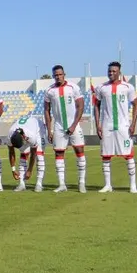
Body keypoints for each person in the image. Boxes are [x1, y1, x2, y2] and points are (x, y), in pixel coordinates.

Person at [94, 61, 137, 193]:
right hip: (107, 126)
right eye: (109, 71)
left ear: (119, 72)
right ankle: (108, 185)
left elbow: (136, 104)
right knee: (106, 156)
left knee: (129, 155)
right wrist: (98, 124)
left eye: (114, 71)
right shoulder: (101, 88)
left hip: (123, 126)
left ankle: (133, 185)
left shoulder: (128, 87)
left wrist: (133, 124)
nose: (111, 73)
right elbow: (96, 106)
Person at [43, 65, 87, 193]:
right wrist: (49, 129)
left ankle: (82, 182)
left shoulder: (73, 87)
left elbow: (80, 106)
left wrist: (73, 125)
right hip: (59, 127)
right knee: (58, 153)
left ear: (64, 74)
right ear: (53, 76)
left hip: (74, 125)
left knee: (79, 151)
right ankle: (62, 184)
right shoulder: (49, 91)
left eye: (60, 74)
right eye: (55, 75)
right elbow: (46, 111)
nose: (58, 77)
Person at [7, 115, 46, 192]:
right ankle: (21, 184)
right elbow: (11, 152)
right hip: (26, 128)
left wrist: (30, 170)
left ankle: (39, 184)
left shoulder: (31, 135)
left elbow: (33, 154)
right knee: (24, 153)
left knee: (39, 155)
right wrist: (13, 169)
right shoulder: (9, 136)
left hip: (38, 128)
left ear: (23, 138)